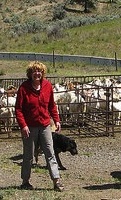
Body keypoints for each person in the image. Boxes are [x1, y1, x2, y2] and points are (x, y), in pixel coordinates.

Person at [15, 61, 64, 191]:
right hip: (29, 127)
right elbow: (18, 109)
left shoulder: (47, 86)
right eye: (34, 71)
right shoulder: (24, 88)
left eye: (39, 71)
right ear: (30, 73)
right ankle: (25, 181)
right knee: (28, 155)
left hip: (45, 125)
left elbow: (52, 105)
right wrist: (23, 125)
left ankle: (56, 181)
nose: (37, 73)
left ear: (43, 73)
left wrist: (56, 120)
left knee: (50, 152)